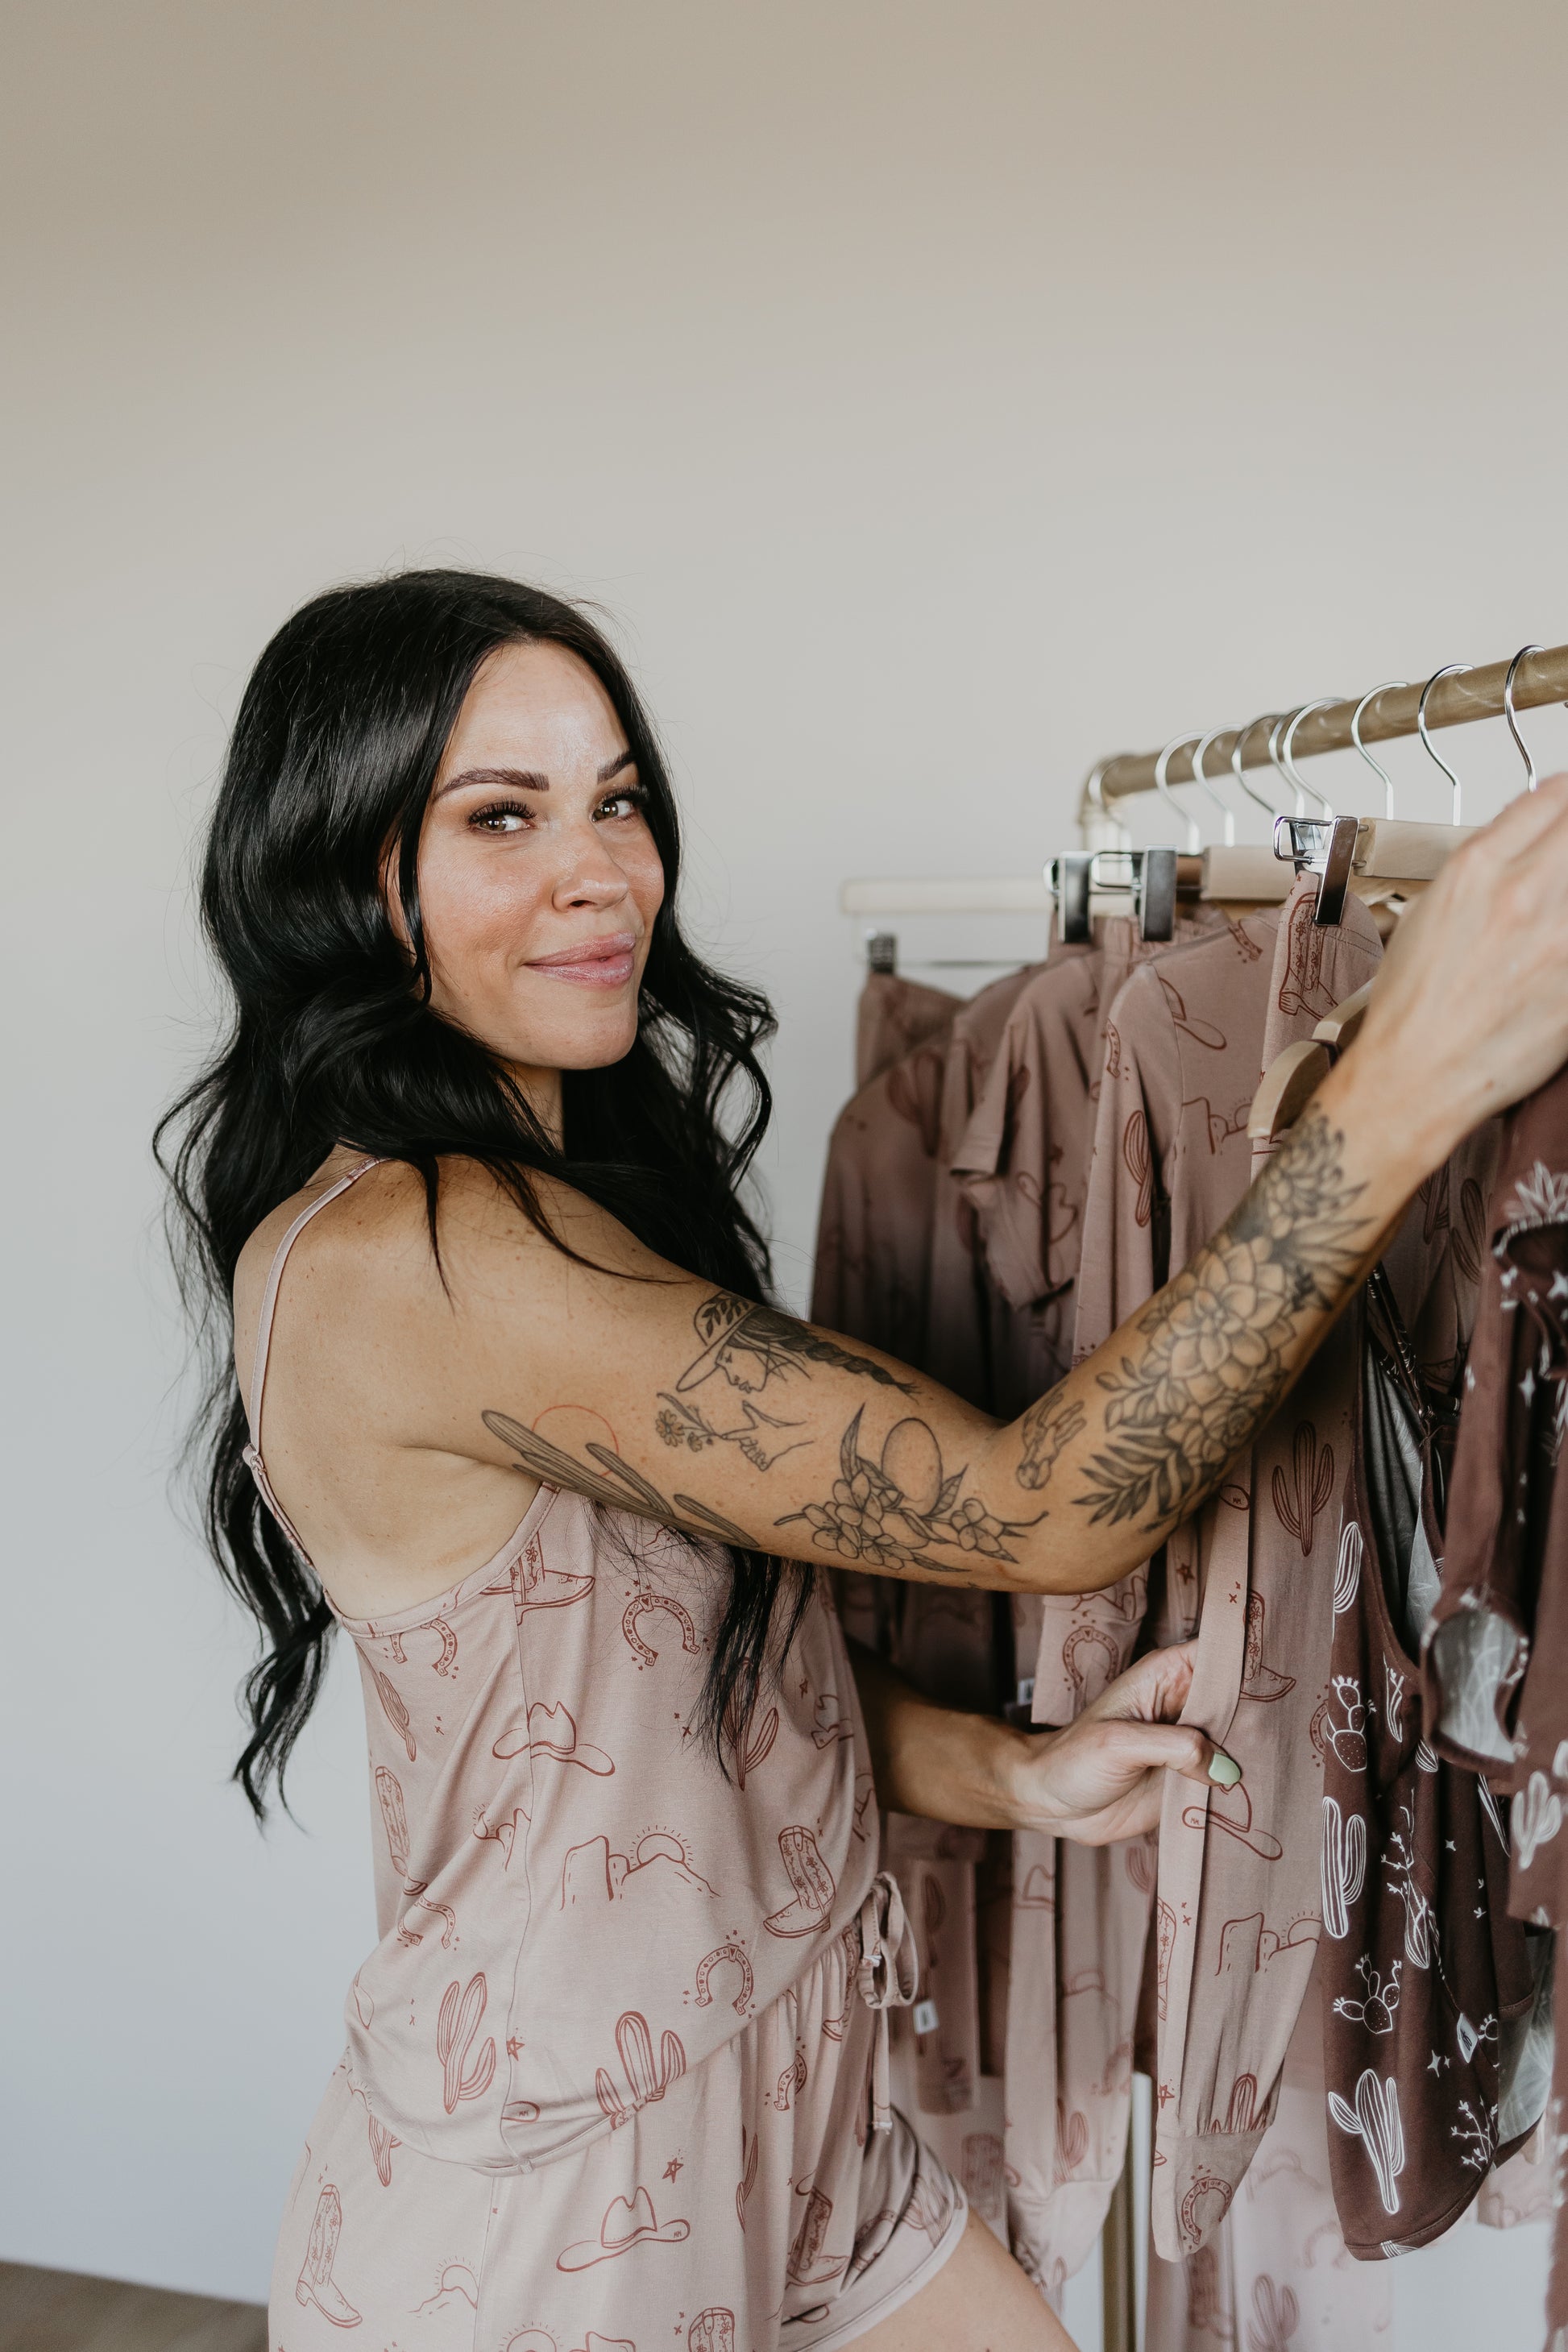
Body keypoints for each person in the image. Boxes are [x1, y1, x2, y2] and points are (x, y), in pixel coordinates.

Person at [160, 570, 1568, 2352]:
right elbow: (1038, 1508)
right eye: (498, 816)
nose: (599, 869)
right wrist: (1411, 1067)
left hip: (800, 2125)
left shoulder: (550, 1208)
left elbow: (661, 1688)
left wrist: (1010, 1770)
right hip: (550, 2208)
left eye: (616, 799)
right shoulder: (411, 1259)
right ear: (343, 878)